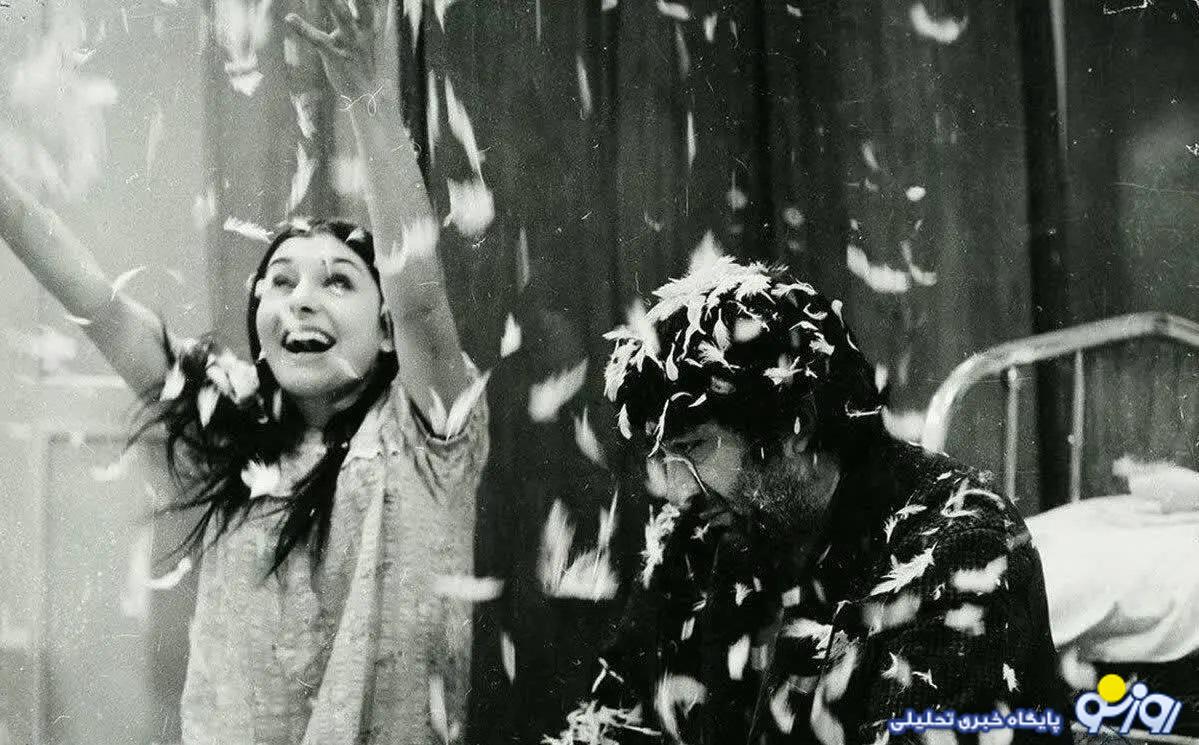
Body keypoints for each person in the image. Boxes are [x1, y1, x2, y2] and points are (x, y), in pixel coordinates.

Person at [0, 3, 488, 743]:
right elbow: (99, 308)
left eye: (337, 281)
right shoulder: (233, 423)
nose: (301, 301)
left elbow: (420, 298)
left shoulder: (427, 435)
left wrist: (365, 96)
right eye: (280, 281)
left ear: (386, 327)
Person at [546, 257, 1069, 744]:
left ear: (798, 426)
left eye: (695, 447)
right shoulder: (701, 530)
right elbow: (609, 722)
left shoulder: (959, 547)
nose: (679, 489)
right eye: (666, 458)